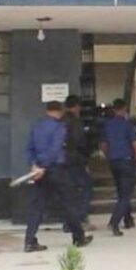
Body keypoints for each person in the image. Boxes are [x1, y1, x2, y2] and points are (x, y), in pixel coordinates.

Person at [24, 101, 93, 252]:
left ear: (47, 110)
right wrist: (44, 166)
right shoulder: (59, 127)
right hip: (56, 169)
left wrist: (34, 166)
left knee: (37, 206)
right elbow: (55, 150)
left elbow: (29, 148)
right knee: (69, 203)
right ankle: (78, 237)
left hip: (39, 171)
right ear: (60, 111)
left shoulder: (37, 126)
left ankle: (29, 240)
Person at [100, 98, 136, 236]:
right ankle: (114, 222)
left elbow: (103, 145)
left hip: (114, 162)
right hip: (126, 161)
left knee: (121, 191)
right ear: (124, 109)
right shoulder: (127, 126)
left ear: (113, 109)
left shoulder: (107, 125)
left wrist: (109, 156)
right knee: (126, 195)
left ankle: (128, 219)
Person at [62, 95, 95, 231]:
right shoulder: (75, 122)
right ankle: (80, 218)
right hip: (75, 160)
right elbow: (80, 142)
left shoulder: (60, 121)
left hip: (61, 160)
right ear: (76, 107)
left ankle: (68, 222)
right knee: (86, 186)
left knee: (69, 191)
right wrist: (85, 158)